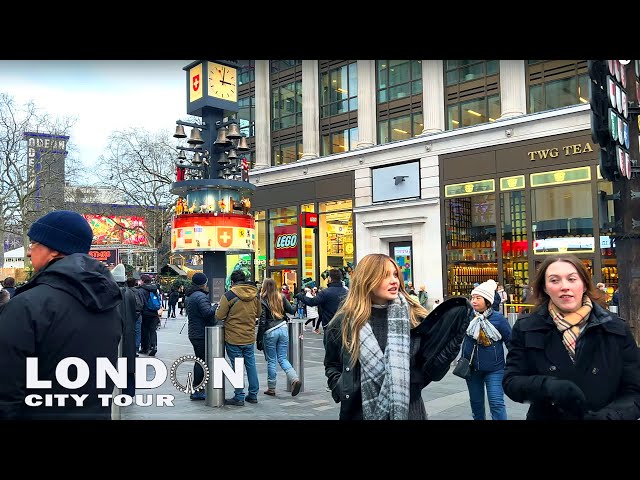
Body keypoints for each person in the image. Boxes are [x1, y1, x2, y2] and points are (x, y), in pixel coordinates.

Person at [0, 210, 123, 419]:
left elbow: (6, 391)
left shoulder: (27, 305)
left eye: (34, 244)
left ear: (54, 251)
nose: (29, 252)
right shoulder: (109, 303)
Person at [324, 253, 473, 420]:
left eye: (395, 274)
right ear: (367, 280)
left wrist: (452, 342)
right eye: (385, 276)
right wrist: (341, 388)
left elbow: (432, 369)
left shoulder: (414, 318)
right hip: (358, 413)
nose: (394, 280)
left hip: (410, 411)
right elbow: (332, 364)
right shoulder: (345, 322)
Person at [503, 254, 640, 420]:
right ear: (545, 288)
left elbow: (634, 391)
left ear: (583, 285)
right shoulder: (527, 327)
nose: (564, 286)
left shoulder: (615, 328)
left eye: (572, 279)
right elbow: (511, 381)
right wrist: (546, 386)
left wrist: (609, 417)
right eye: (554, 280)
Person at [460, 279, 511, 420]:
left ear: (487, 301)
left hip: (495, 369)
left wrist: (515, 366)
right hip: (471, 369)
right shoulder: (467, 317)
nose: (474, 300)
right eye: (472, 297)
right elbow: (456, 337)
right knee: (476, 405)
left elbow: (511, 343)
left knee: (496, 403)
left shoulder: (499, 319)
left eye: (478, 298)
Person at [215, 269, 261, 406]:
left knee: (237, 367)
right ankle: (253, 394)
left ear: (233, 282)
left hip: (233, 337)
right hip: (249, 335)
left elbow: (219, 315)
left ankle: (239, 396)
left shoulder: (229, 295)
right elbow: (258, 312)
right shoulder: (255, 294)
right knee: (251, 365)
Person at [258, 278, 302, 397]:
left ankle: (271, 388)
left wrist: (259, 339)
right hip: (283, 328)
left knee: (272, 360)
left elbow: (262, 321)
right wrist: (297, 300)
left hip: (270, 331)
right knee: (283, 358)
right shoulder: (281, 296)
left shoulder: (262, 299)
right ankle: (294, 379)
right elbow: (292, 310)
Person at [185, 273, 218, 401]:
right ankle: (197, 389)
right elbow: (207, 313)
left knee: (200, 360)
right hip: (200, 333)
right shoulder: (201, 297)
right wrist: (216, 306)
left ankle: (198, 388)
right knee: (201, 362)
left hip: (194, 332)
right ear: (204, 283)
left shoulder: (191, 295)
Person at [110, 264, 137, 397]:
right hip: (129, 332)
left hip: (115, 334)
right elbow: (136, 311)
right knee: (128, 364)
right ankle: (129, 391)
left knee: (115, 363)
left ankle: (116, 390)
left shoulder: (109, 294)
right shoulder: (131, 293)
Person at [296, 268, 348, 334]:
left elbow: (312, 302)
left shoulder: (326, 292)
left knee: (330, 343)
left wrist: (300, 296)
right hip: (344, 326)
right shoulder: (347, 292)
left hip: (330, 326)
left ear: (329, 278)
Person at [138, 274, 162, 356]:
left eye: (140, 280)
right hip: (154, 312)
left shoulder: (141, 290)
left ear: (143, 281)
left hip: (145, 313)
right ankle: (154, 346)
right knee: (152, 330)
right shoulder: (154, 289)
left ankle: (145, 348)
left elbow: (140, 302)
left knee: (144, 330)